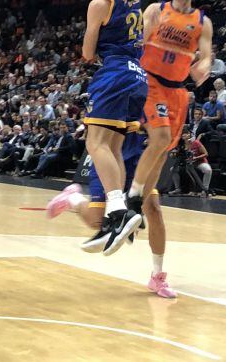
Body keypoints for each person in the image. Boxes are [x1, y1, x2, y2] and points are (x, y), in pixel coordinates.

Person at [78, 0, 145, 255]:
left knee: (95, 141)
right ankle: (118, 215)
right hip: (138, 75)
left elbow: (88, 54)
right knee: (115, 145)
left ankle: (117, 208)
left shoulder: (99, 2)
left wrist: (91, 37)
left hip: (116, 71)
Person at [48, 121, 175, 298]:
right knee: (96, 222)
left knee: (153, 208)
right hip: (111, 156)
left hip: (140, 158)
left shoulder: (152, 96)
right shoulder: (111, 99)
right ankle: (72, 198)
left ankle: (157, 275)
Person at [127, 0, 213, 222]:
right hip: (151, 81)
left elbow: (207, 56)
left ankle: (139, 204)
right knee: (161, 136)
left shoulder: (202, 22)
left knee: (163, 151)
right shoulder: (156, 10)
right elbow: (138, 42)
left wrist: (203, 67)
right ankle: (132, 197)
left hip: (177, 90)